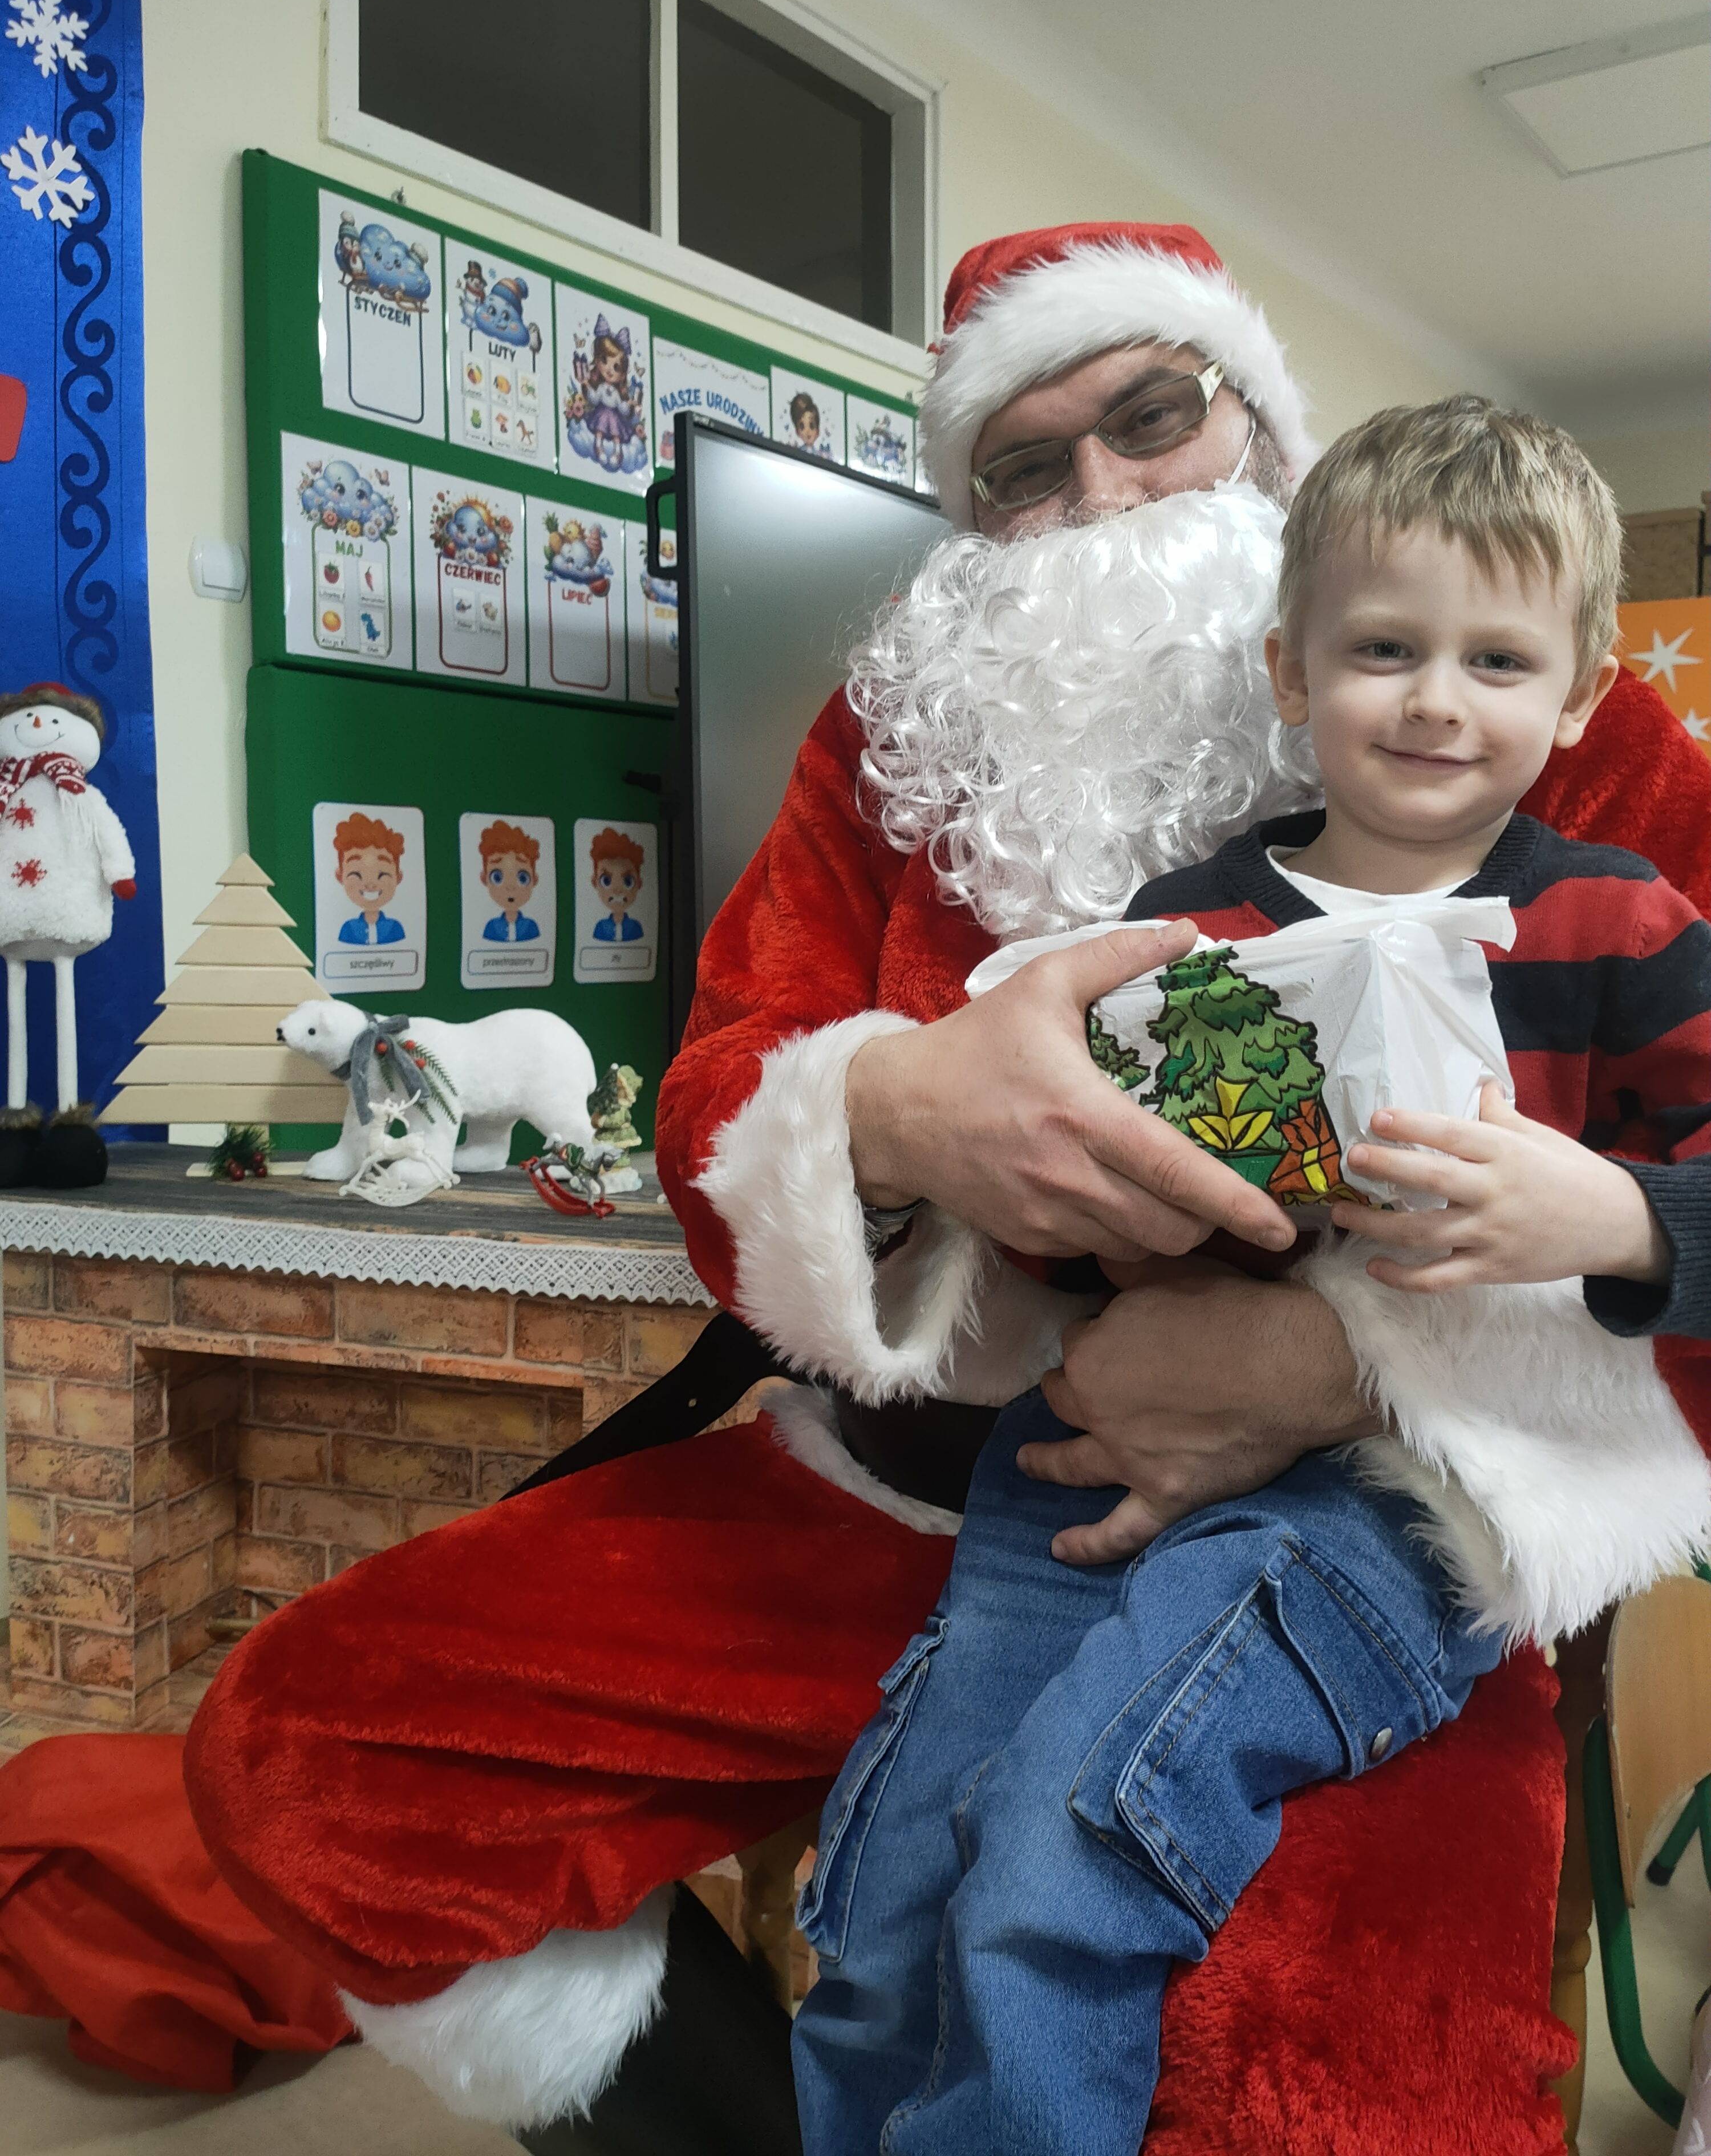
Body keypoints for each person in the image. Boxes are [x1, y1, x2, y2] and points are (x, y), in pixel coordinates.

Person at [4, 224, 1710, 2154]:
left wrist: (1350, 1369)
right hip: (921, 1488)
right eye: (1023, 463)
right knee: (323, 1750)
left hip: (1394, 1517)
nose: (1099, 494)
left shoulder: (1524, 688)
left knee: (1295, 2063)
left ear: (1260, 422)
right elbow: (723, 1085)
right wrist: (893, 1108)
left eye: (1153, 415)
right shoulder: (905, 733)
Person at [789, 395, 1711, 2155]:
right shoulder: (1186, 921)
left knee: (1056, 1864)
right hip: (1086, 1465)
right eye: (1383, 650)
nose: (1435, 701)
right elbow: (1070, 1221)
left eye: (1497, 660)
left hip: (1399, 1500)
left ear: (1581, 694)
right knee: (889, 1895)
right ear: (1292, 670)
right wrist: (1073, 1169)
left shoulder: (1622, 927)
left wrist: (1613, 1215)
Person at [332, 812, 407, 944]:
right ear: (340, 876)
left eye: (382, 875)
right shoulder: (348, 929)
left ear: (398, 877)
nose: (370, 884)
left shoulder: (395, 928)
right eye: (357, 874)